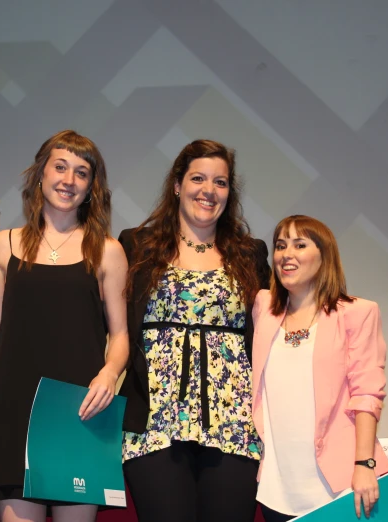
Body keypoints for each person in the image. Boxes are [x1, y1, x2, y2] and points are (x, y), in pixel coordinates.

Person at [0, 130, 129, 522]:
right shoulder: (3, 245)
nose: (68, 180)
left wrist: (110, 373)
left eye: (81, 172)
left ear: (92, 186)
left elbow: (122, 336)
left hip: (79, 414)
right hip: (12, 413)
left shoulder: (108, 251)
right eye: (60, 167)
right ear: (40, 175)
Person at [119, 139, 270, 522]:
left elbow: (280, 326)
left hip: (234, 424)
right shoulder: (136, 246)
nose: (208, 190)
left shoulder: (250, 254)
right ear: (176, 184)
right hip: (155, 424)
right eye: (198, 178)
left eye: (220, 182)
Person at [252, 215, 388, 521]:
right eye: (280, 246)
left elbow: (367, 394)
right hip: (277, 487)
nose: (286, 254)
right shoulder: (263, 308)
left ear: (324, 255)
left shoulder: (358, 312)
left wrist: (364, 465)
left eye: (299, 245)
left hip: (339, 484)